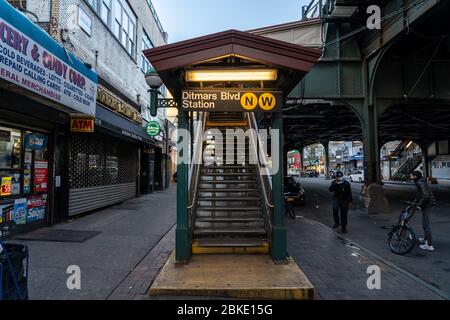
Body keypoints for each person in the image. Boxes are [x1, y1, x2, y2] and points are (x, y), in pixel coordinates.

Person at [410, 170, 436, 251]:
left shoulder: (420, 183)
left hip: (429, 205)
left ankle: (429, 245)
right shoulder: (420, 181)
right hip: (428, 204)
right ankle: (426, 239)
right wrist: (414, 202)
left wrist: (419, 204)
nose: (411, 177)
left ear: (415, 176)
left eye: (412, 176)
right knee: (425, 224)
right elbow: (419, 195)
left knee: (426, 225)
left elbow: (425, 195)